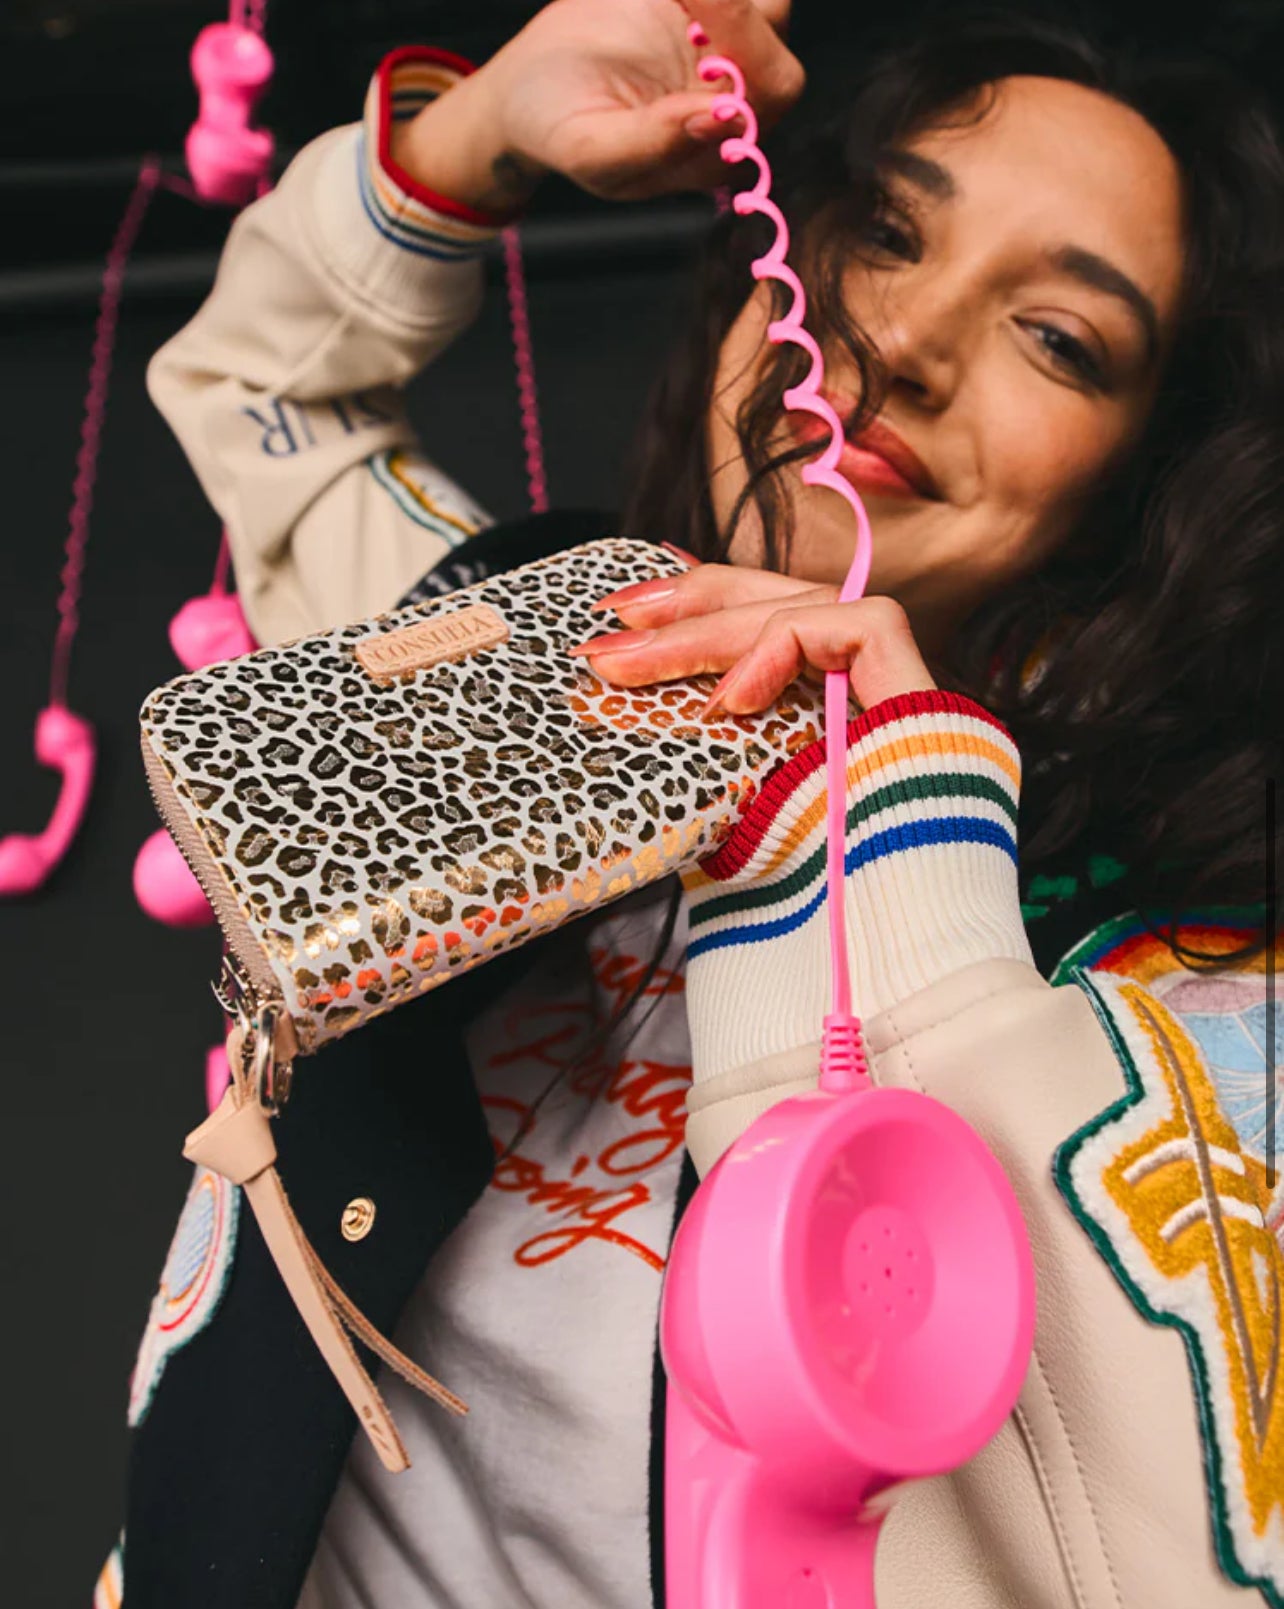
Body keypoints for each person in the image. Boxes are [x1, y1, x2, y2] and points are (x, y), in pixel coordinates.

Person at [100, 3, 1284, 1607]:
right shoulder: (505, 658)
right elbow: (264, 388)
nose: (904, 341)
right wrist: (480, 134)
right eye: (885, 231)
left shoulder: (1197, 995)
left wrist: (888, 820)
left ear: (1145, 485)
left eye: (1058, 337)